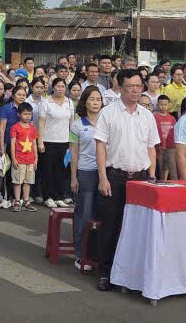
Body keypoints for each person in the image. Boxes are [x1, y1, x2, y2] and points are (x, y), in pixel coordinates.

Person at [93, 69, 158, 292]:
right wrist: (103, 178)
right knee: (110, 225)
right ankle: (106, 272)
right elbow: (100, 146)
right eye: (130, 86)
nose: (135, 90)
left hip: (140, 179)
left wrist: (152, 176)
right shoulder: (108, 113)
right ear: (120, 87)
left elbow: (151, 148)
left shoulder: (147, 115)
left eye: (139, 86)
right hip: (115, 176)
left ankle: (133, 273)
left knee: (138, 227)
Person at [69, 86, 102, 271]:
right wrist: (74, 178)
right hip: (86, 172)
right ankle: (80, 254)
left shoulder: (106, 122)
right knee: (85, 213)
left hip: (105, 172)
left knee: (101, 214)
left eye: (98, 99)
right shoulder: (77, 125)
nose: (95, 103)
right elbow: (74, 153)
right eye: (92, 99)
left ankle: (97, 253)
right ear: (85, 102)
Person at [37, 77, 75, 208]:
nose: (60, 89)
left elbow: (72, 124)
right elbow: (41, 123)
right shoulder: (46, 102)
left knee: (62, 170)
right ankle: (48, 197)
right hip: (48, 141)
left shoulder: (69, 102)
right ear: (53, 87)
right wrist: (40, 142)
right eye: (58, 86)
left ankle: (59, 196)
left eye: (63, 86)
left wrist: (72, 143)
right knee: (48, 170)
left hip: (64, 142)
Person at [10, 103, 39, 213]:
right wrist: (13, 158)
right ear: (19, 114)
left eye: (29, 114)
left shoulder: (32, 128)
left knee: (28, 181)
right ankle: (17, 201)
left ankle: (26, 201)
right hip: (19, 159)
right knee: (18, 181)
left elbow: (34, 144)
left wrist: (36, 158)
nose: (27, 116)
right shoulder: (15, 127)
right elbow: (12, 144)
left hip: (30, 160)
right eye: (25, 114)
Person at [152, 95, 178, 180]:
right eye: (161, 104)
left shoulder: (172, 118)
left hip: (171, 147)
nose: (163, 106)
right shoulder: (154, 117)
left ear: (169, 105)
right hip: (158, 146)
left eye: (165, 104)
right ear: (157, 105)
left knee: (172, 167)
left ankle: (175, 182)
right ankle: (161, 181)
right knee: (160, 166)